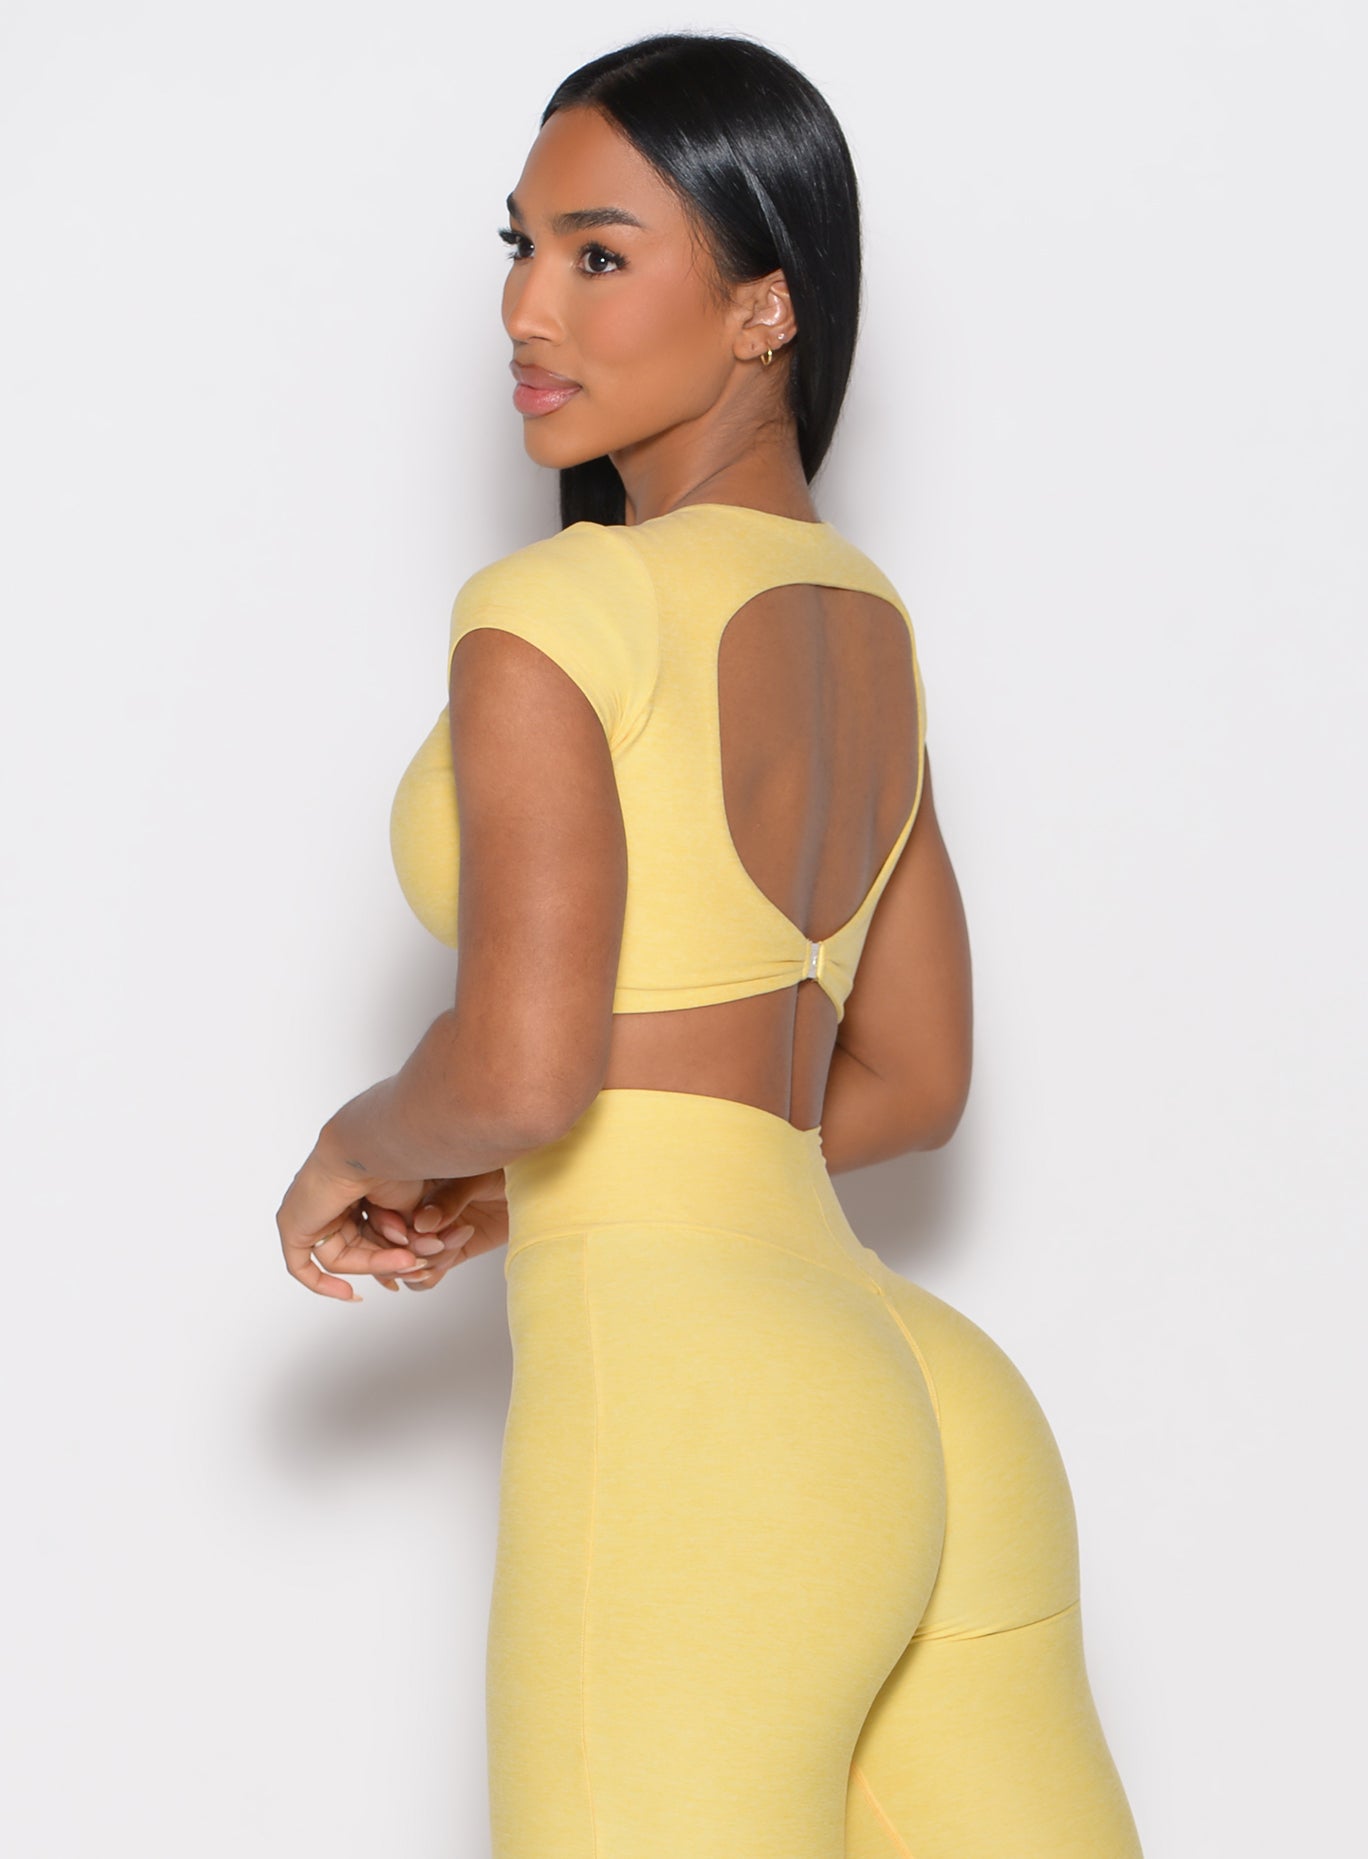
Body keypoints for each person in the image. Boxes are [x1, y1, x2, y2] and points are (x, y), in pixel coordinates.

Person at [276, 30, 1145, 1859]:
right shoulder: (865, 623)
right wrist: (598, 1168)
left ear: (767, 305)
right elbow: (914, 1080)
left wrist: (360, 1143)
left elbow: (519, 1067)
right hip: (919, 1397)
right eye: (518, 247)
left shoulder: (560, 606)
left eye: (599, 254)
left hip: (702, 1411)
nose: (528, 308)